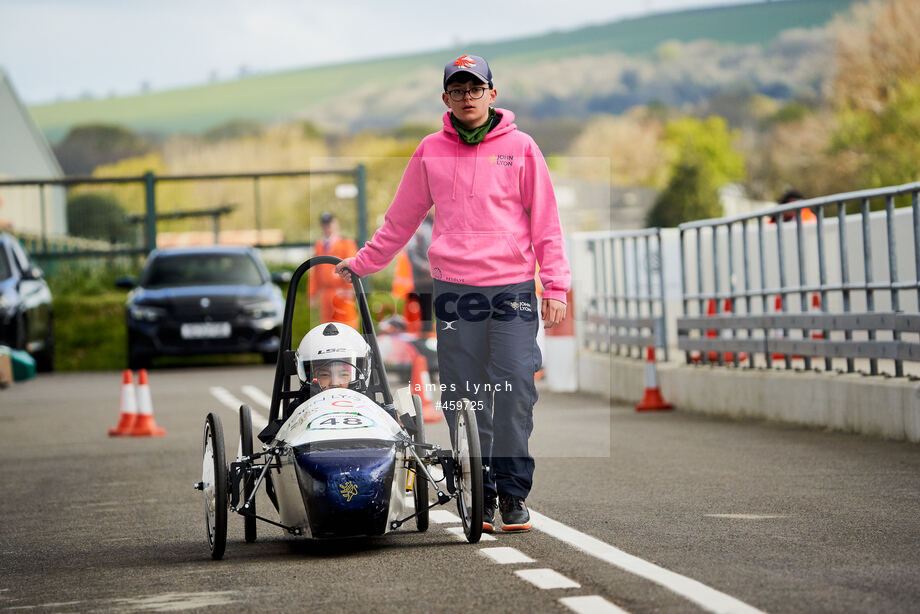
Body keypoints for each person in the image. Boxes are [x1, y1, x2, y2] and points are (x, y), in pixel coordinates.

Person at [335, 54, 570, 533]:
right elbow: (401, 220)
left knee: (516, 387)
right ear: (446, 98)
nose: (467, 97)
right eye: (458, 90)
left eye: (475, 88)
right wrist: (362, 264)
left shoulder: (522, 148)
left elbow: (547, 224)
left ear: (491, 94)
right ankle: (478, 489)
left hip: (512, 289)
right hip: (456, 290)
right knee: (468, 394)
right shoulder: (429, 151)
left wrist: (557, 285)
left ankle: (511, 493)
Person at [294, 321, 371, 400]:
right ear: (309, 377)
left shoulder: (373, 409)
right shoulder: (297, 409)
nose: (334, 383)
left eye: (343, 374)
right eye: (324, 375)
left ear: (360, 375)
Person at [309, 212, 359, 329]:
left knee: (346, 326)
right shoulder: (319, 246)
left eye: (329, 224)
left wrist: (350, 289)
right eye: (324, 224)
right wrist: (312, 293)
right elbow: (315, 272)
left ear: (336, 224)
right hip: (325, 293)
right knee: (327, 328)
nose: (327, 227)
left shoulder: (346, 243)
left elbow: (353, 268)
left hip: (341, 292)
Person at [406, 212, 434, 333]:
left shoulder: (440, 224)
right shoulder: (419, 227)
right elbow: (412, 254)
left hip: (439, 279)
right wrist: (427, 267)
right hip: (424, 280)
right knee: (426, 317)